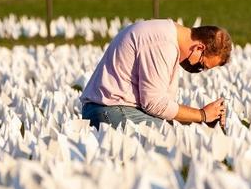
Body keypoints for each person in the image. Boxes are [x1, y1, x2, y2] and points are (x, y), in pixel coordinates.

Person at [80, 19, 231, 130]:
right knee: (172, 137)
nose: (198, 69)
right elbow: (154, 103)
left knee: (189, 132)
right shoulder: (163, 45)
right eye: (202, 65)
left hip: (115, 108)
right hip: (109, 109)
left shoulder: (167, 35)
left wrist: (202, 120)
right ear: (199, 47)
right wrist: (201, 115)